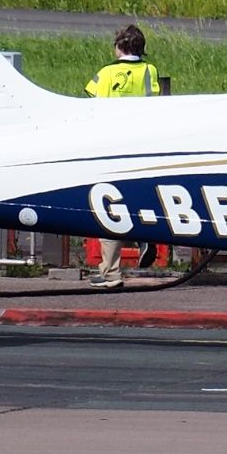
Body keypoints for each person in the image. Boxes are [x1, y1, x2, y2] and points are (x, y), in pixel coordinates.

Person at [84, 24, 158, 288]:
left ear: (119, 47)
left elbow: (91, 98)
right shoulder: (149, 70)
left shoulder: (105, 73)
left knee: (109, 209)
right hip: (139, 144)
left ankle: (110, 273)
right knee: (137, 199)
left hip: (110, 146)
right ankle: (144, 237)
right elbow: (154, 99)